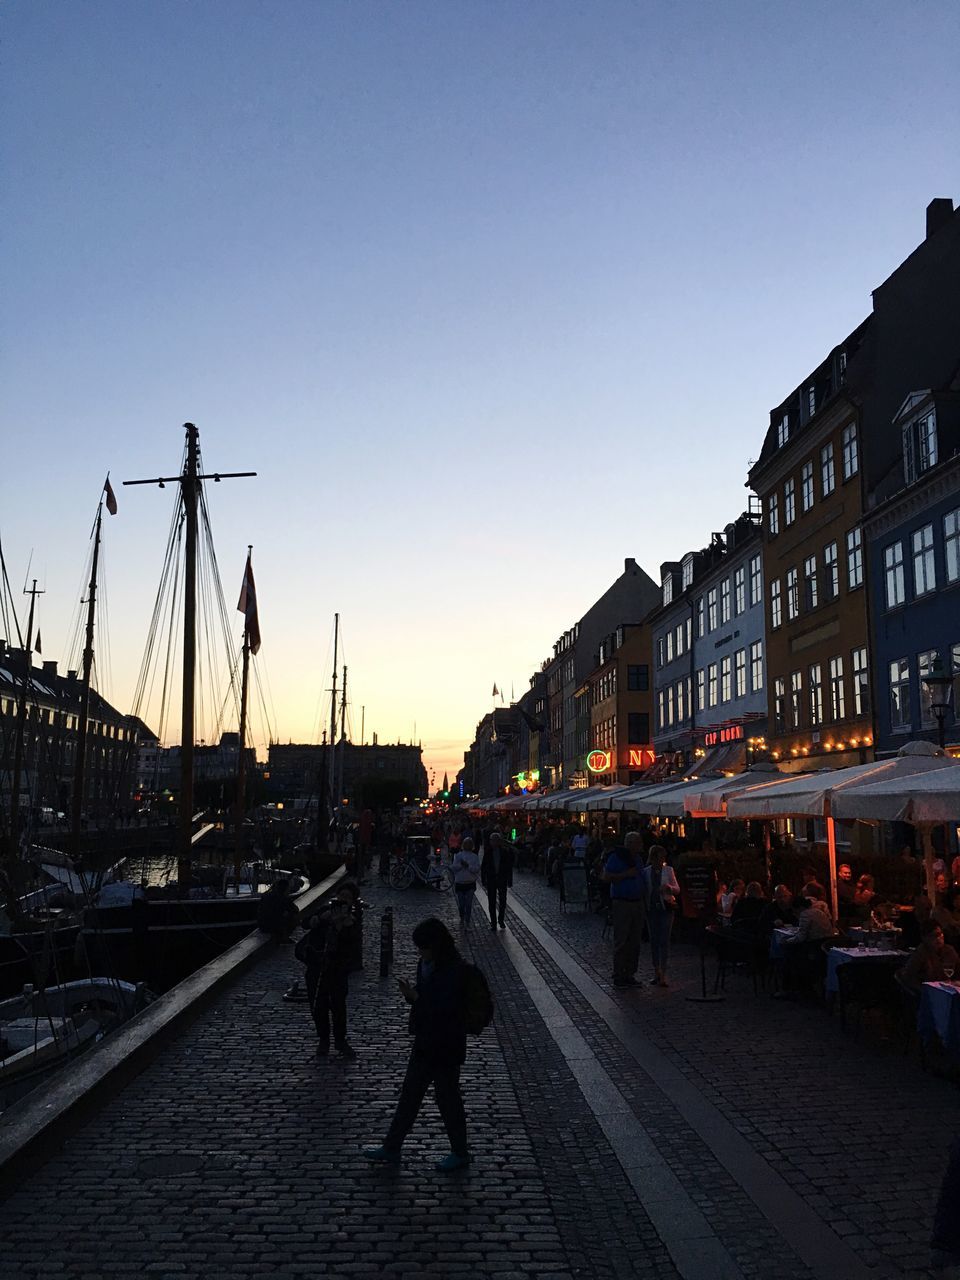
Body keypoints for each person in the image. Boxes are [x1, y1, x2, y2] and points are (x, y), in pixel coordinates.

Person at [363, 917, 475, 1171]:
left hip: (446, 1045)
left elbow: (446, 1009)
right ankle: (392, 1146)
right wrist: (413, 997)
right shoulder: (425, 964)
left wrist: (416, 998)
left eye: (423, 947)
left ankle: (460, 1151)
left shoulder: (455, 970)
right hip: (426, 1042)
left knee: (447, 1099)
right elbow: (428, 1001)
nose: (420, 952)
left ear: (435, 945)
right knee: (410, 1095)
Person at [297, 880, 360, 1058]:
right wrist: (319, 919)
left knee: (338, 1005)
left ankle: (340, 1040)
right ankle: (323, 1039)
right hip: (317, 965)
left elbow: (353, 946)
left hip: (338, 968)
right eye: (341, 896)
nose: (343, 900)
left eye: (348, 898)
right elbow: (305, 923)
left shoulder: (352, 919)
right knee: (318, 1004)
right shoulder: (325, 911)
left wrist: (344, 926)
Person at [601, 831, 646, 988]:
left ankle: (630, 973)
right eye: (638, 842)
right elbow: (606, 877)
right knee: (622, 940)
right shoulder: (616, 857)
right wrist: (626, 874)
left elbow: (641, 876)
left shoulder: (638, 859)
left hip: (637, 902)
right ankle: (619, 974)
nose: (640, 845)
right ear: (630, 844)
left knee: (634, 941)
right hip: (622, 903)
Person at [642, 844, 681, 987]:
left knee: (664, 940)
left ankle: (663, 972)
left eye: (663, 858)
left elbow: (677, 889)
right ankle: (656, 970)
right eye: (659, 858)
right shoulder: (646, 872)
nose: (662, 860)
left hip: (666, 909)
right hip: (651, 909)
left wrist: (669, 888)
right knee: (654, 940)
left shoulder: (668, 871)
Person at [899, 920, 960, 993]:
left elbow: (958, 970)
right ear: (924, 938)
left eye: (940, 934)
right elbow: (908, 976)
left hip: (948, 990)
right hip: (928, 993)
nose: (938, 938)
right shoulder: (920, 953)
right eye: (933, 936)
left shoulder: (949, 951)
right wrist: (923, 990)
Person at [481, 832, 514, 931]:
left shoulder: (505, 852)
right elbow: (483, 867)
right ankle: (494, 923)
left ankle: (501, 920)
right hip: (491, 879)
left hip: (502, 879)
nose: (494, 842)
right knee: (491, 902)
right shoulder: (488, 852)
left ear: (499, 841)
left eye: (495, 840)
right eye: (492, 840)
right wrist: (484, 880)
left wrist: (509, 880)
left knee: (503, 901)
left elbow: (509, 867)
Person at [452, 836, 480, 925]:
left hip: (470, 883)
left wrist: (468, 866)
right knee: (461, 904)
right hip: (460, 882)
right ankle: (462, 916)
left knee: (468, 904)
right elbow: (454, 868)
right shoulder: (458, 856)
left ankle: (467, 919)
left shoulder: (475, 857)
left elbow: (476, 869)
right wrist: (461, 865)